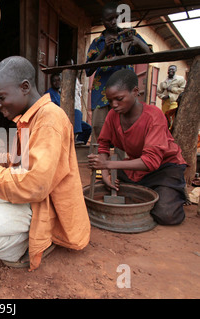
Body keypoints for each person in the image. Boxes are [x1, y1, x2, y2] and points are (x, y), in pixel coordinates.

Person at [0, 56, 91, 271]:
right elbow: (18, 162)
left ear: (25, 87)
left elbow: (34, 186)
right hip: (29, 201)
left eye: (1, 97)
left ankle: (28, 244)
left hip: (41, 207)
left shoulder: (50, 120)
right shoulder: (31, 118)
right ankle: (23, 238)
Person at [88, 69, 187, 225]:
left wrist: (106, 165)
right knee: (104, 189)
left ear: (135, 92)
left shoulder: (154, 116)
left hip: (165, 167)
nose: (114, 105)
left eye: (119, 99)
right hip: (136, 165)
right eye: (110, 101)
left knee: (166, 215)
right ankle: (148, 190)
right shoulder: (113, 115)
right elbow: (104, 145)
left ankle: (173, 191)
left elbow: (151, 162)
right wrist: (106, 174)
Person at [86, 2, 151, 142]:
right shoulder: (98, 42)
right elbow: (88, 70)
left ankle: (123, 163)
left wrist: (138, 43)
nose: (114, 21)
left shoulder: (129, 35)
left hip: (124, 88)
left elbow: (150, 54)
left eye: (116, 17)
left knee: (124, 128)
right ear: (103, 21)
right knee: (98, 128)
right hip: (102, 91)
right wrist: (104, 50)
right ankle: (98, 161)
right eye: (110, 19)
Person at [44, 73, 92, 145]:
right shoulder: (49, 93)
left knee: (87, 128)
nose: (57, 82)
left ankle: (78, 144)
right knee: (76, 112)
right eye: (54, 81)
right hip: (57, 118)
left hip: (67, 117)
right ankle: (74, 139)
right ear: (51, 83)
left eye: (58, 80)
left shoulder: (61, 92)